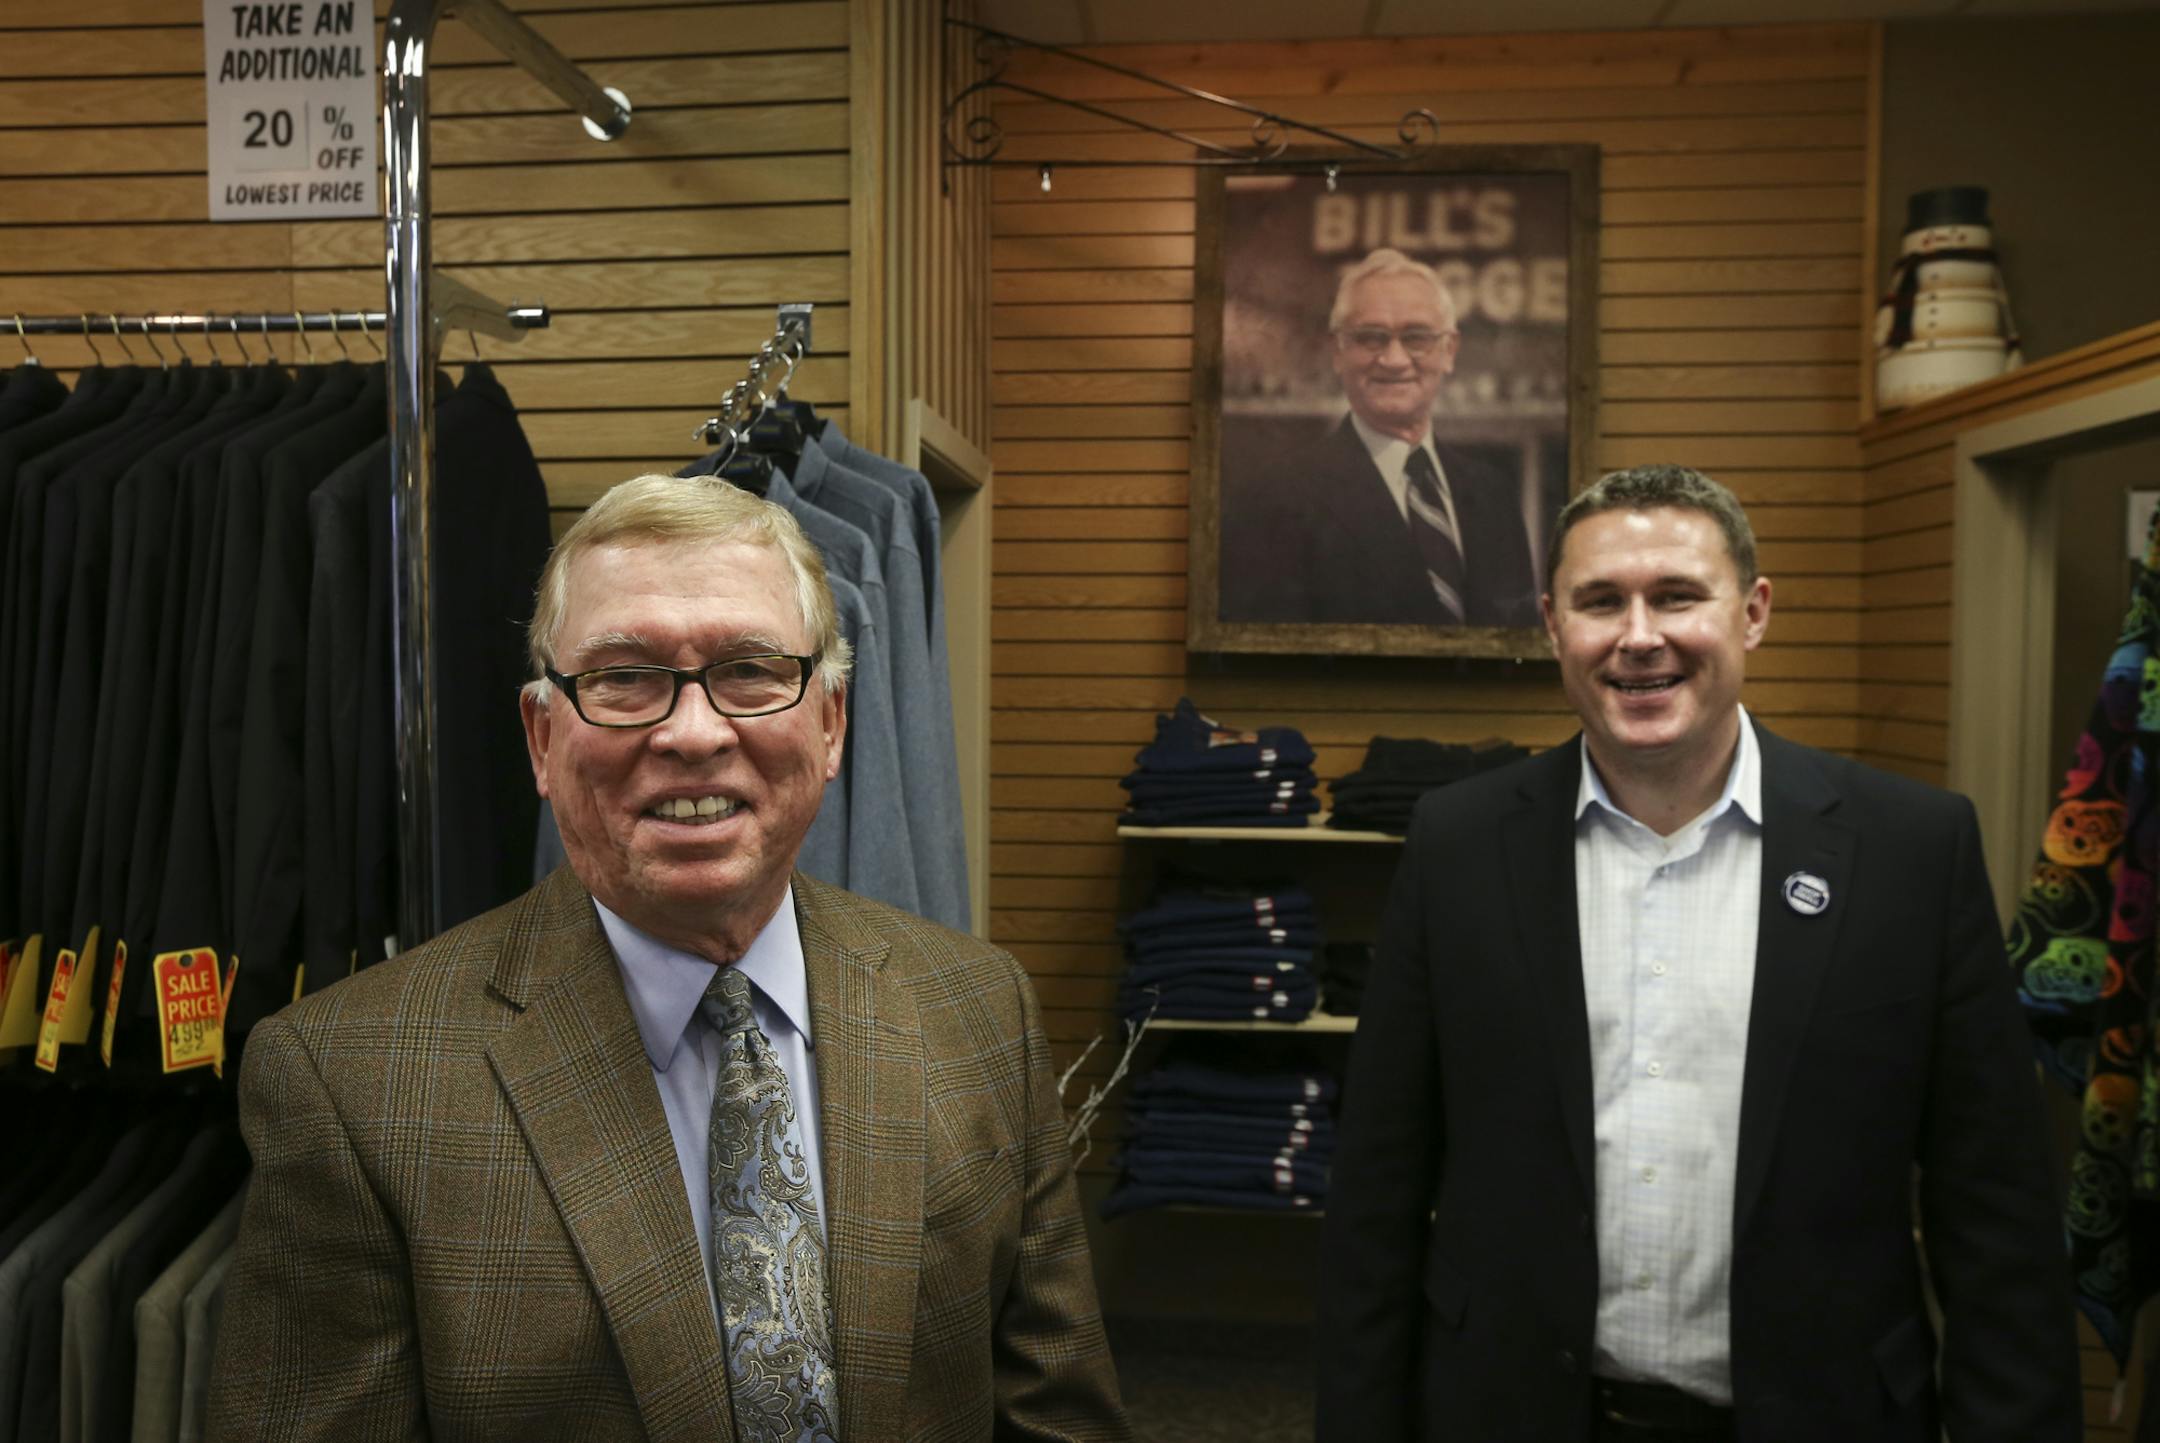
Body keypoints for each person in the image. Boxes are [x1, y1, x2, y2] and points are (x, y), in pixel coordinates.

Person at [207, 474, 1130, 1442]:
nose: (692, 732)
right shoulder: (351, 1087)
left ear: (831, 724)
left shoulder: (981, 1012)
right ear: (541, 736)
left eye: (751, 669)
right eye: (623, 679)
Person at [1315, 464, 2078, 1441]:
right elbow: (1378, 1193)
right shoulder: (1458, 847)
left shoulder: (1911, 852)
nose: (1640, 638)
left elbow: (1997, 1219)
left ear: (1752, 612)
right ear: (1553, 625)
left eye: (1678, 596)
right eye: (1601, 602)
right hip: (1512, 1411)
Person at [1219, 247, 1540, 629]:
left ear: (1449, 351)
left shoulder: (1494, 496)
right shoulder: (1274, 502)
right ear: (1338, 352)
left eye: (1416, 337)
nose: (1394, 359)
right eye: (1371, 338)